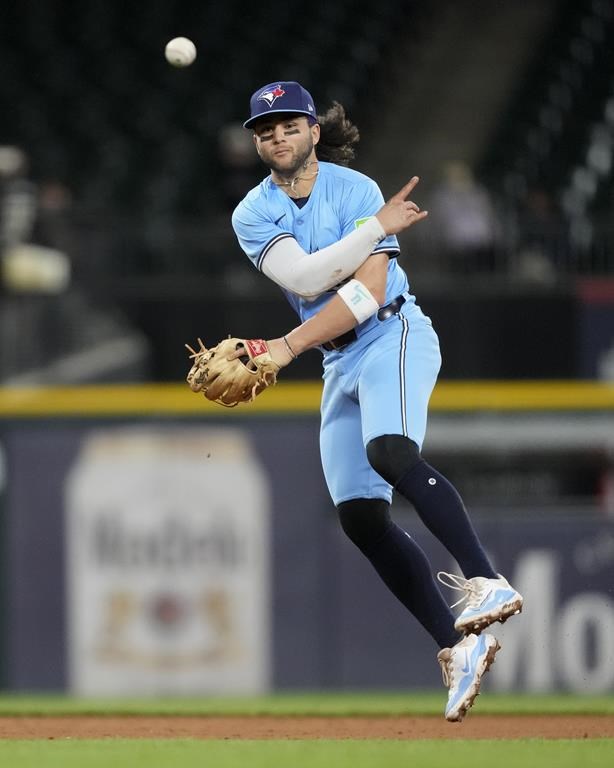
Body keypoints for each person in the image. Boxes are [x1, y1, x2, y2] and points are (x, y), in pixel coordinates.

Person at [231, 81, 523, 722]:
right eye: (264, 129)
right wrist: (373, 234)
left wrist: (285, 345)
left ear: (312, 130)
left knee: (389, 450)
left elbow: (369, 291)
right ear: (257, 141)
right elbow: (307, 278)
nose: (276, 136)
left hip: (393, 330)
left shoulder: (355, 190)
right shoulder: (252, 212)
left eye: (288, 124)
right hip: (337, 358)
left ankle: (485, 578)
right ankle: (458, 649)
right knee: (362, 518)